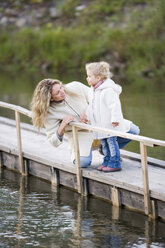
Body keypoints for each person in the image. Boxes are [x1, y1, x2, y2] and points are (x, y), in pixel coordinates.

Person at [81, 61, 140, 172]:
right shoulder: (92, 91)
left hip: (109, 124)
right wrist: (86, 115)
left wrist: (115, 119)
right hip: (100, 125)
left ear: (98, 77)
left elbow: (114, 106)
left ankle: (115, 163)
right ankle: (107, 160)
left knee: (112, 143)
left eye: (89, 76)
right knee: (104, 143)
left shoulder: (107, 90)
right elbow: (91, 107)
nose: (87, 78)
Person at [31, 79, 93, 167]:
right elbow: (53, 142)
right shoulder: (49, 113)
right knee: (82, 162)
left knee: (119, 139)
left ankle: (102, 147)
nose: (63, 92)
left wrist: (88, 112)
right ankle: (75, 151)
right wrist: (62, 125)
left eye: (61, 87)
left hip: (97, 127)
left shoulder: (75, 86)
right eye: (57, 93)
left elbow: (97, 98)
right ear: (50, 98)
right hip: (80, 135)